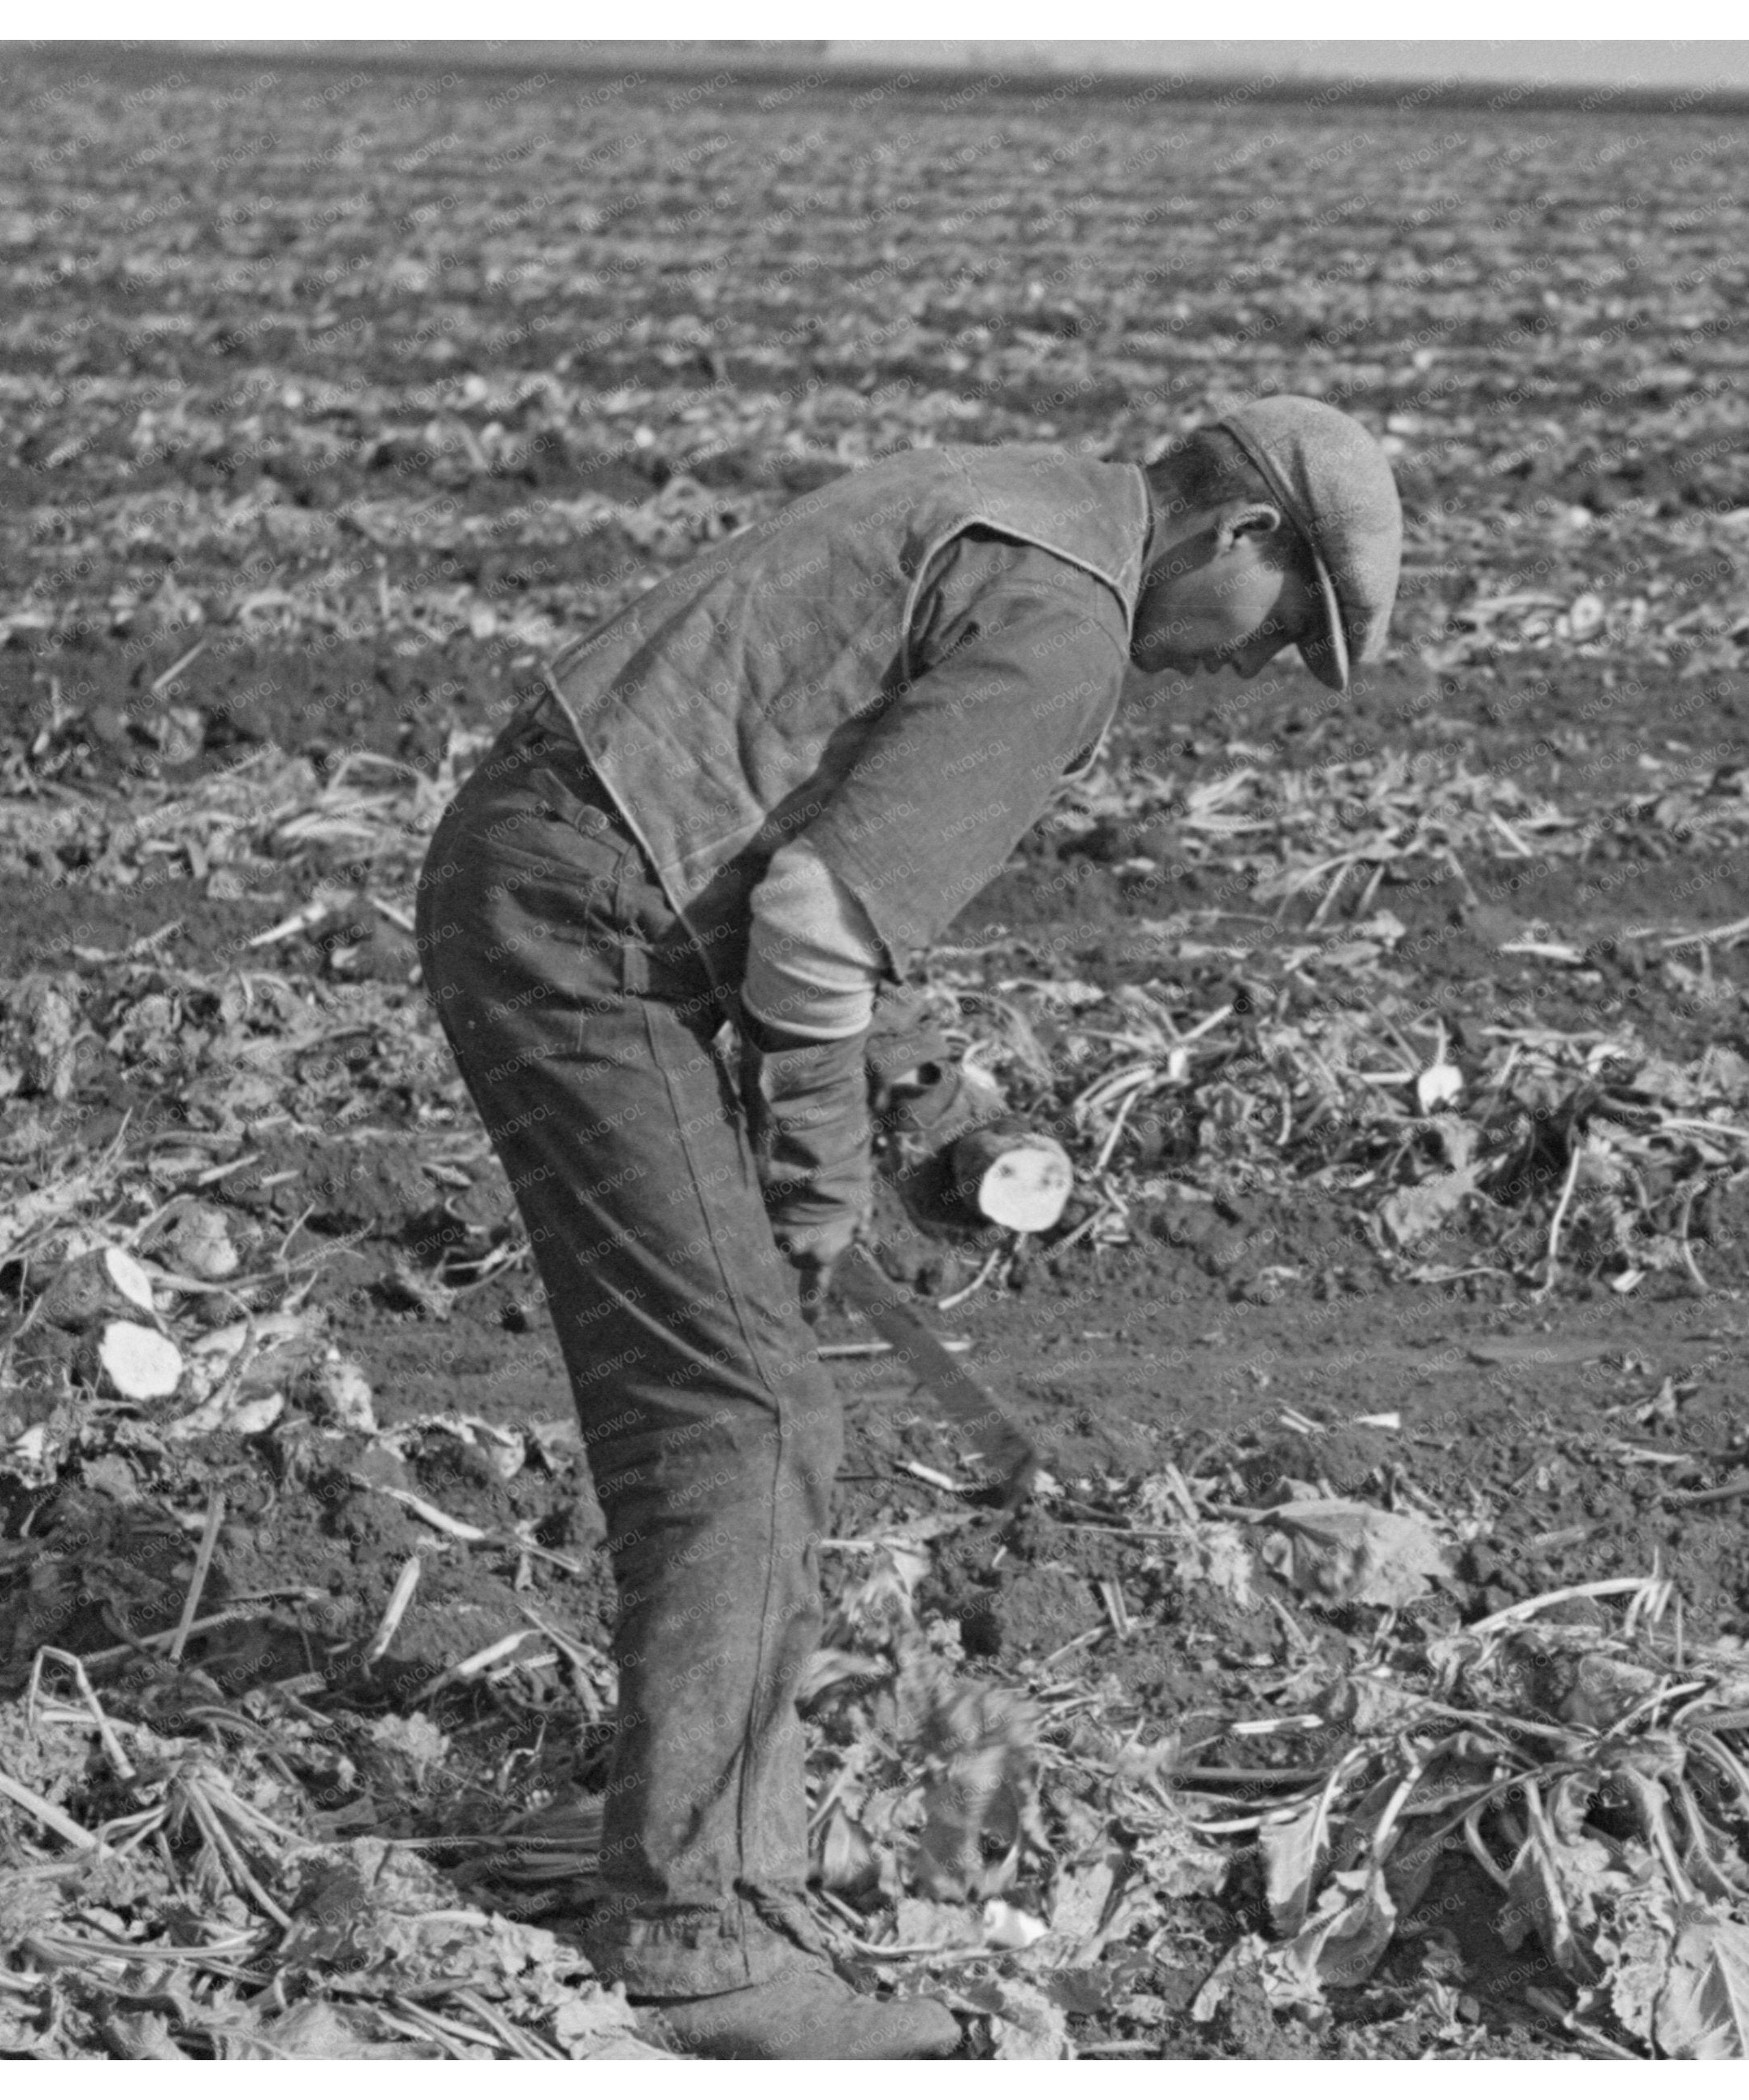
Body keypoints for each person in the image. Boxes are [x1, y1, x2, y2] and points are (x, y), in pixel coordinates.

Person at [411, 398, 1403, 2058]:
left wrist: (912, 1095)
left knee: (757, 1398)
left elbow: (795, 832)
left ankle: (745, 1859)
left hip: (568, 868)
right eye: (1294, 624)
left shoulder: (1007, 504)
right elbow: (807, 922)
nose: (1262, 671)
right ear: (1245, 536)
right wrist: (818, 1166)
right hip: (588, 923)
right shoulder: (1062, 627)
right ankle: (685, 1933)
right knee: (739, 1406)